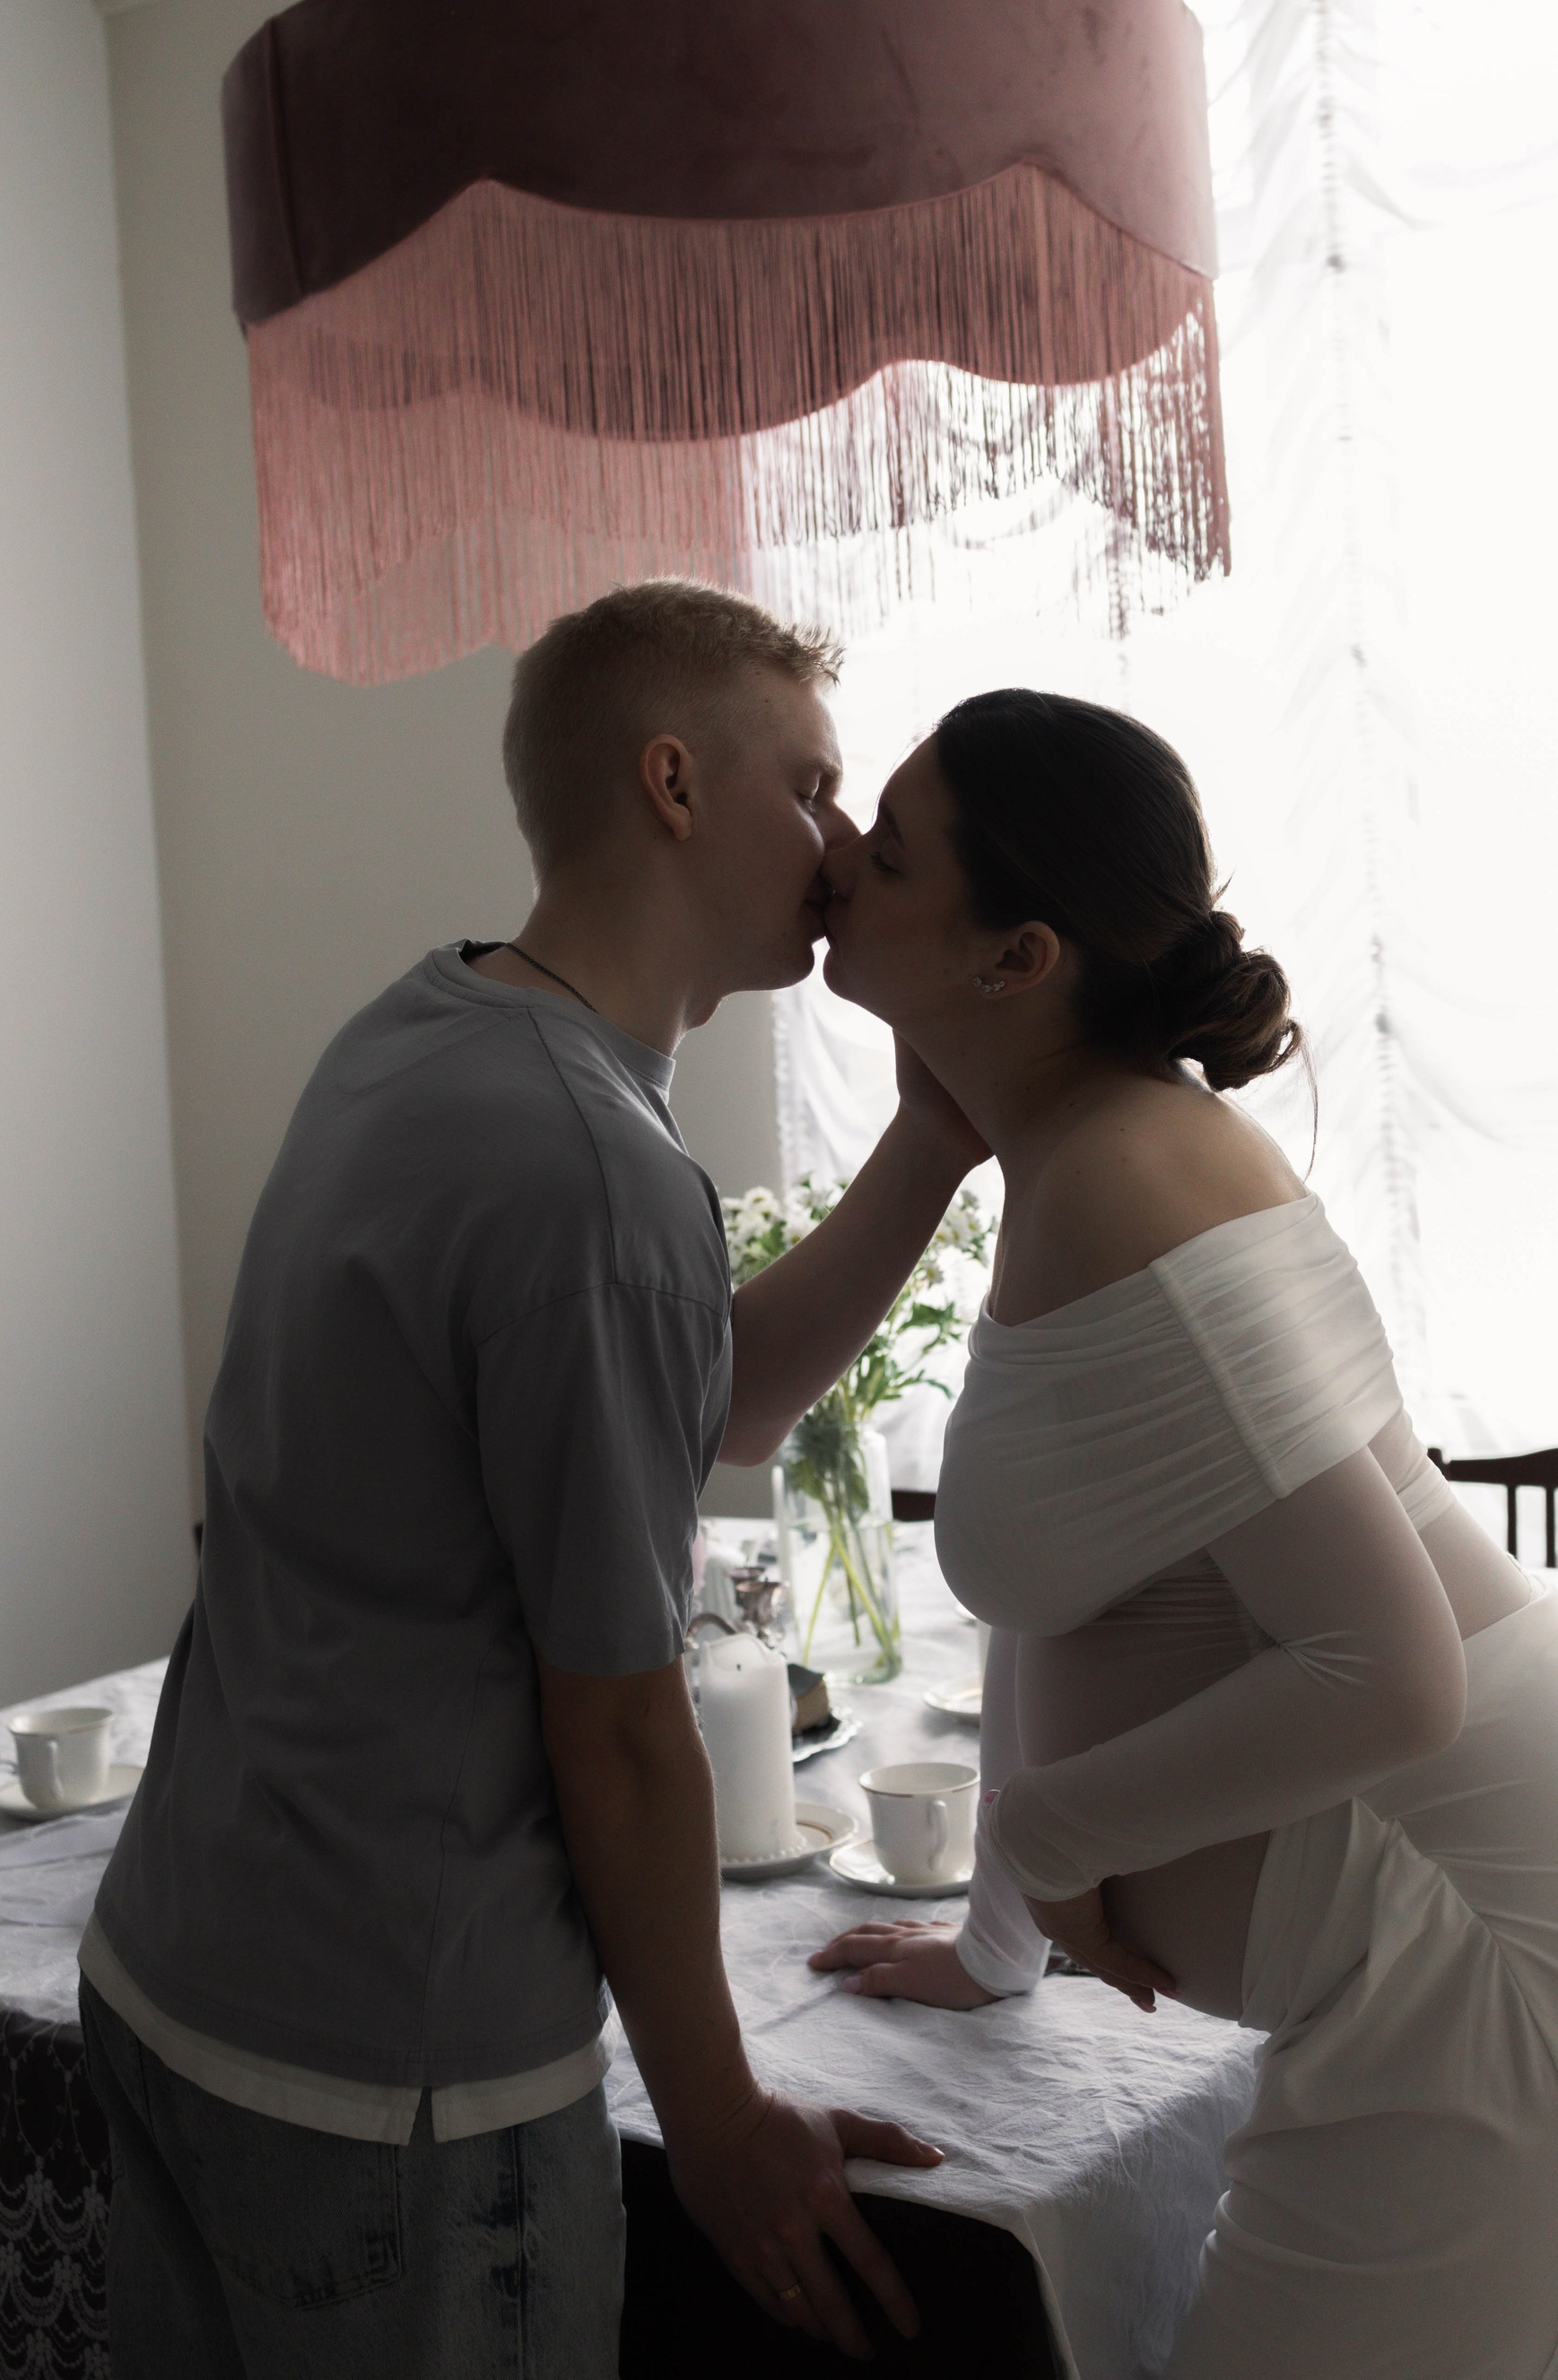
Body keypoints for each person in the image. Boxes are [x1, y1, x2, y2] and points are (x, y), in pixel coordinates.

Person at [78, 582, 990, 2379]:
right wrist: (718, 2122)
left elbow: (711, 1402)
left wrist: (930, 1142)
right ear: (673, 782)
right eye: (811, 785)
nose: (838, 845)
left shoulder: (424, 1030)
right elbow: (625, 1732)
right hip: (390, 2080)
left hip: (183, 1977)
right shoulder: (593, 1170)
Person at [808, 687, 1558, 2378]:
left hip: (1500, 1956)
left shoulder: (1126, 1181)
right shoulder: (1082, 1154)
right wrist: (998, 1944)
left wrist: (1050, 1840)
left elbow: (1393, 1673)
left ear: (1018, 957)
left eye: (891, 849)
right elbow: (1065, 1596)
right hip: (1501, 1926)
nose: (838, 863)